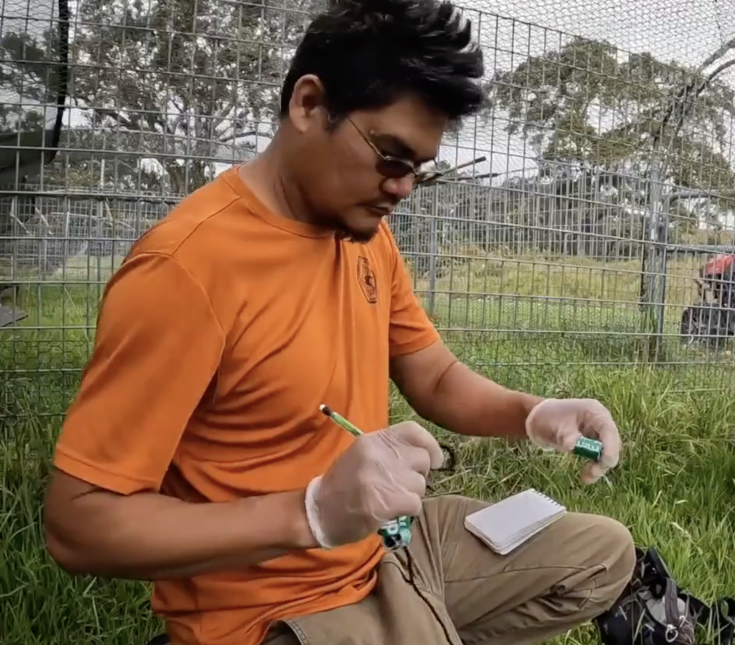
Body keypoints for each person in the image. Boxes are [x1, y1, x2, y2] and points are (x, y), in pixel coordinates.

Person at [41, 1, 636, 644]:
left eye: (418, 170)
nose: (403, 187)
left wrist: (534, 413)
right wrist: (315, 512)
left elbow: (431, 375)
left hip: (388, 547)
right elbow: (80, 525)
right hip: (274, 604)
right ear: (307, 104)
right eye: (391, 156)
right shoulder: (187, 269)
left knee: (602, 554)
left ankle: (414, 615)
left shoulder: (363, 235)